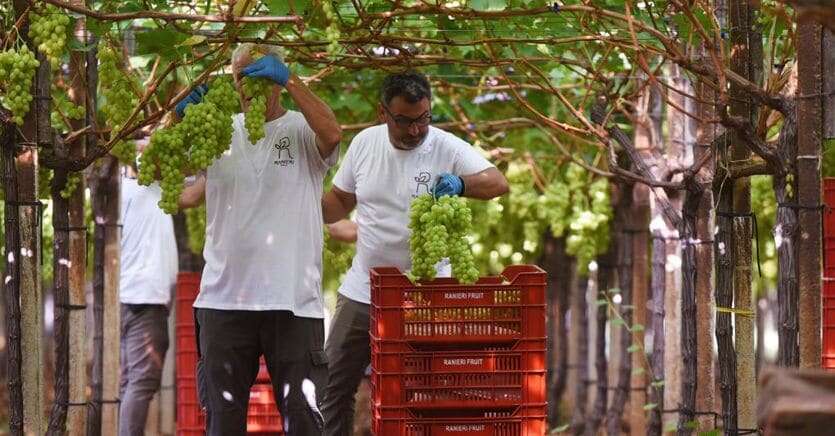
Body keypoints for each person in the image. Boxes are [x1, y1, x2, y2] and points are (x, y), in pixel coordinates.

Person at [320, 70, 509, 435]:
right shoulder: (364, 144)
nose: (416, 130)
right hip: (365, 288)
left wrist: (462, 183)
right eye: (404, 121)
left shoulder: (445, 146)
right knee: (333, 384)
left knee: (421, 392)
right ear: (383, 113)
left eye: (423, 118)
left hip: (426, 294)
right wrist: (301, 199)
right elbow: (340, 201)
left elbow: (497, 182)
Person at [176, 43, 341, 436]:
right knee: (222, 420)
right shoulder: (217, 132)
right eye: (240, 78)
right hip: (222, 300)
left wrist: (291, 78)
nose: (248, 86)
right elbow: (172, 170)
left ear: (276, 79)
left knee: (303, 419)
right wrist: (177, 120)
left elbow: (332, 134)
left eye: (258, 76)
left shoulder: (301, 130)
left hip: (293, 302)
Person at [119, 138, 178, 436]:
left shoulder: (134, 190)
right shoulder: (139, 189)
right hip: (145, 297)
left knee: (131, 380)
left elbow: (191, 192)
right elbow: (190, 191)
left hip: (133, 297)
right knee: (141, 380)